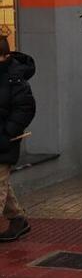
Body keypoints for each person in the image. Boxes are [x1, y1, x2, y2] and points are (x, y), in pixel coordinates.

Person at [0, 37, 35, 243]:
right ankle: (18, 218)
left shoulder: (15, 78)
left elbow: (26, 108)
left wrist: (7, 133)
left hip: (5, 140)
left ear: (5, 56)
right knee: (2, 183)